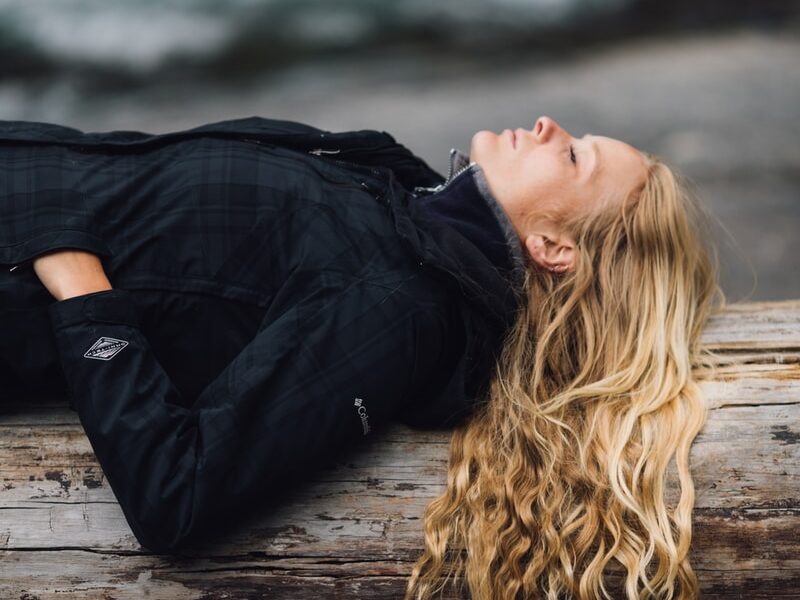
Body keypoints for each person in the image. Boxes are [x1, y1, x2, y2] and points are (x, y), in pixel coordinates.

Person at [0, 115, 724, 599]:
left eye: (571, 155)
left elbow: (178, 494)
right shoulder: (406, 207)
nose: (547, 125)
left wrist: (76, 281)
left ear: (554, 248)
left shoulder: (404, 306)